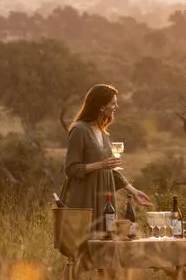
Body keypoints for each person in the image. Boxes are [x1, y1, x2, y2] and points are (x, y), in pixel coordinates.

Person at [60, 83, 153, 234]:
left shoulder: (101, 131)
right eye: (113, 103)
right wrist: (100, 165)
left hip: (104, 197)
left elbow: (110, 169)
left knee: (105, 245)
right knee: (85, 247)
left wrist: (134, 191)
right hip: (86, 198)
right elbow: (70, 169)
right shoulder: (79, 130)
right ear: (101, 107)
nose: (116, 106)